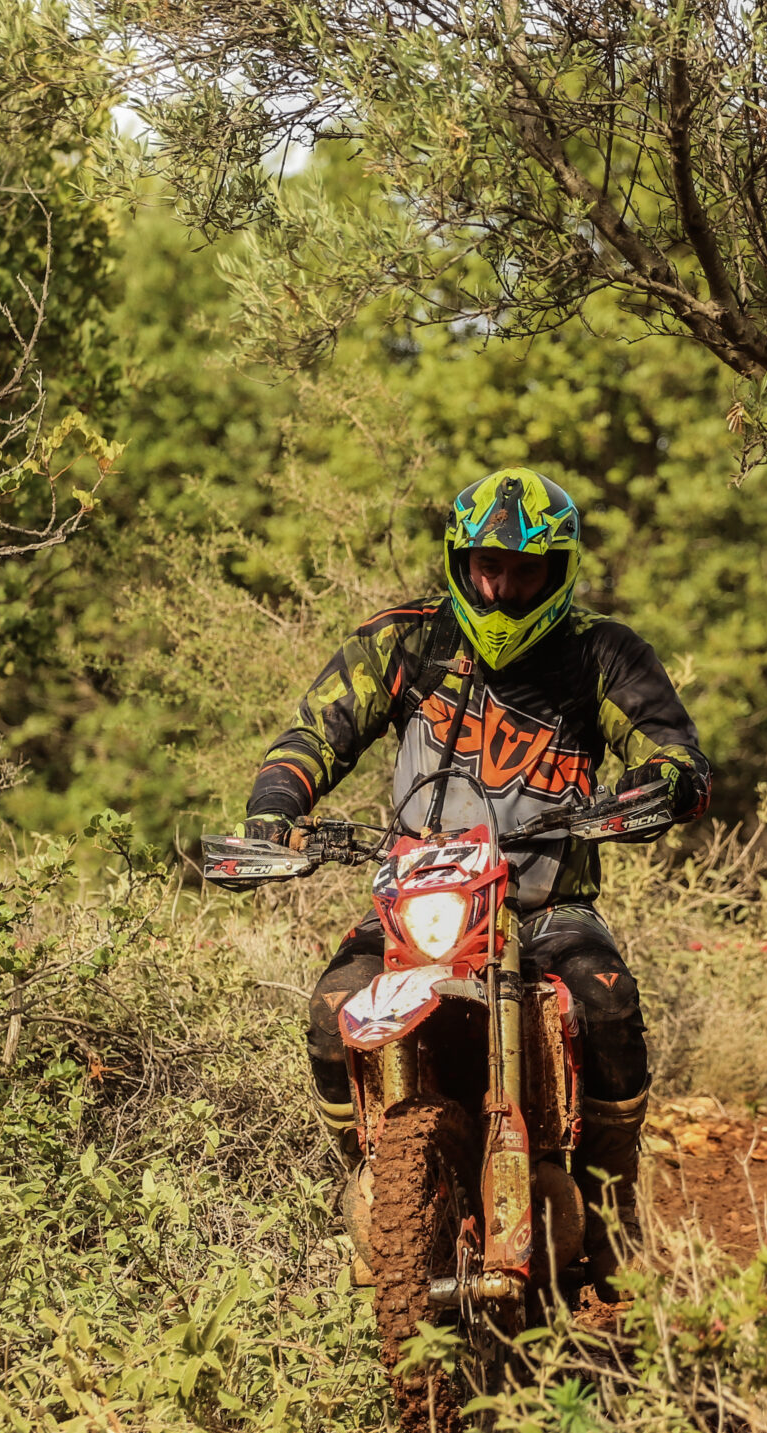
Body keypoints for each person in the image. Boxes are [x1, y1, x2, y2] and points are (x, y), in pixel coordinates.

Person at [232, 467, 711, 1300]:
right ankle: (372, 1191)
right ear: (461, 560)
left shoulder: (602, 653)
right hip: (422, 900)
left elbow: (674, 751)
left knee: (608, 1003)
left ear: (558, 570)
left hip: (546, 904)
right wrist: (275, 809)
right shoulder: (405, 641)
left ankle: (611, 1206)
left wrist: (659, 783)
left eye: (524, 570)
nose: (501, 588)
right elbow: (313, 733)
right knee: (331, 1007)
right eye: (488, 566)